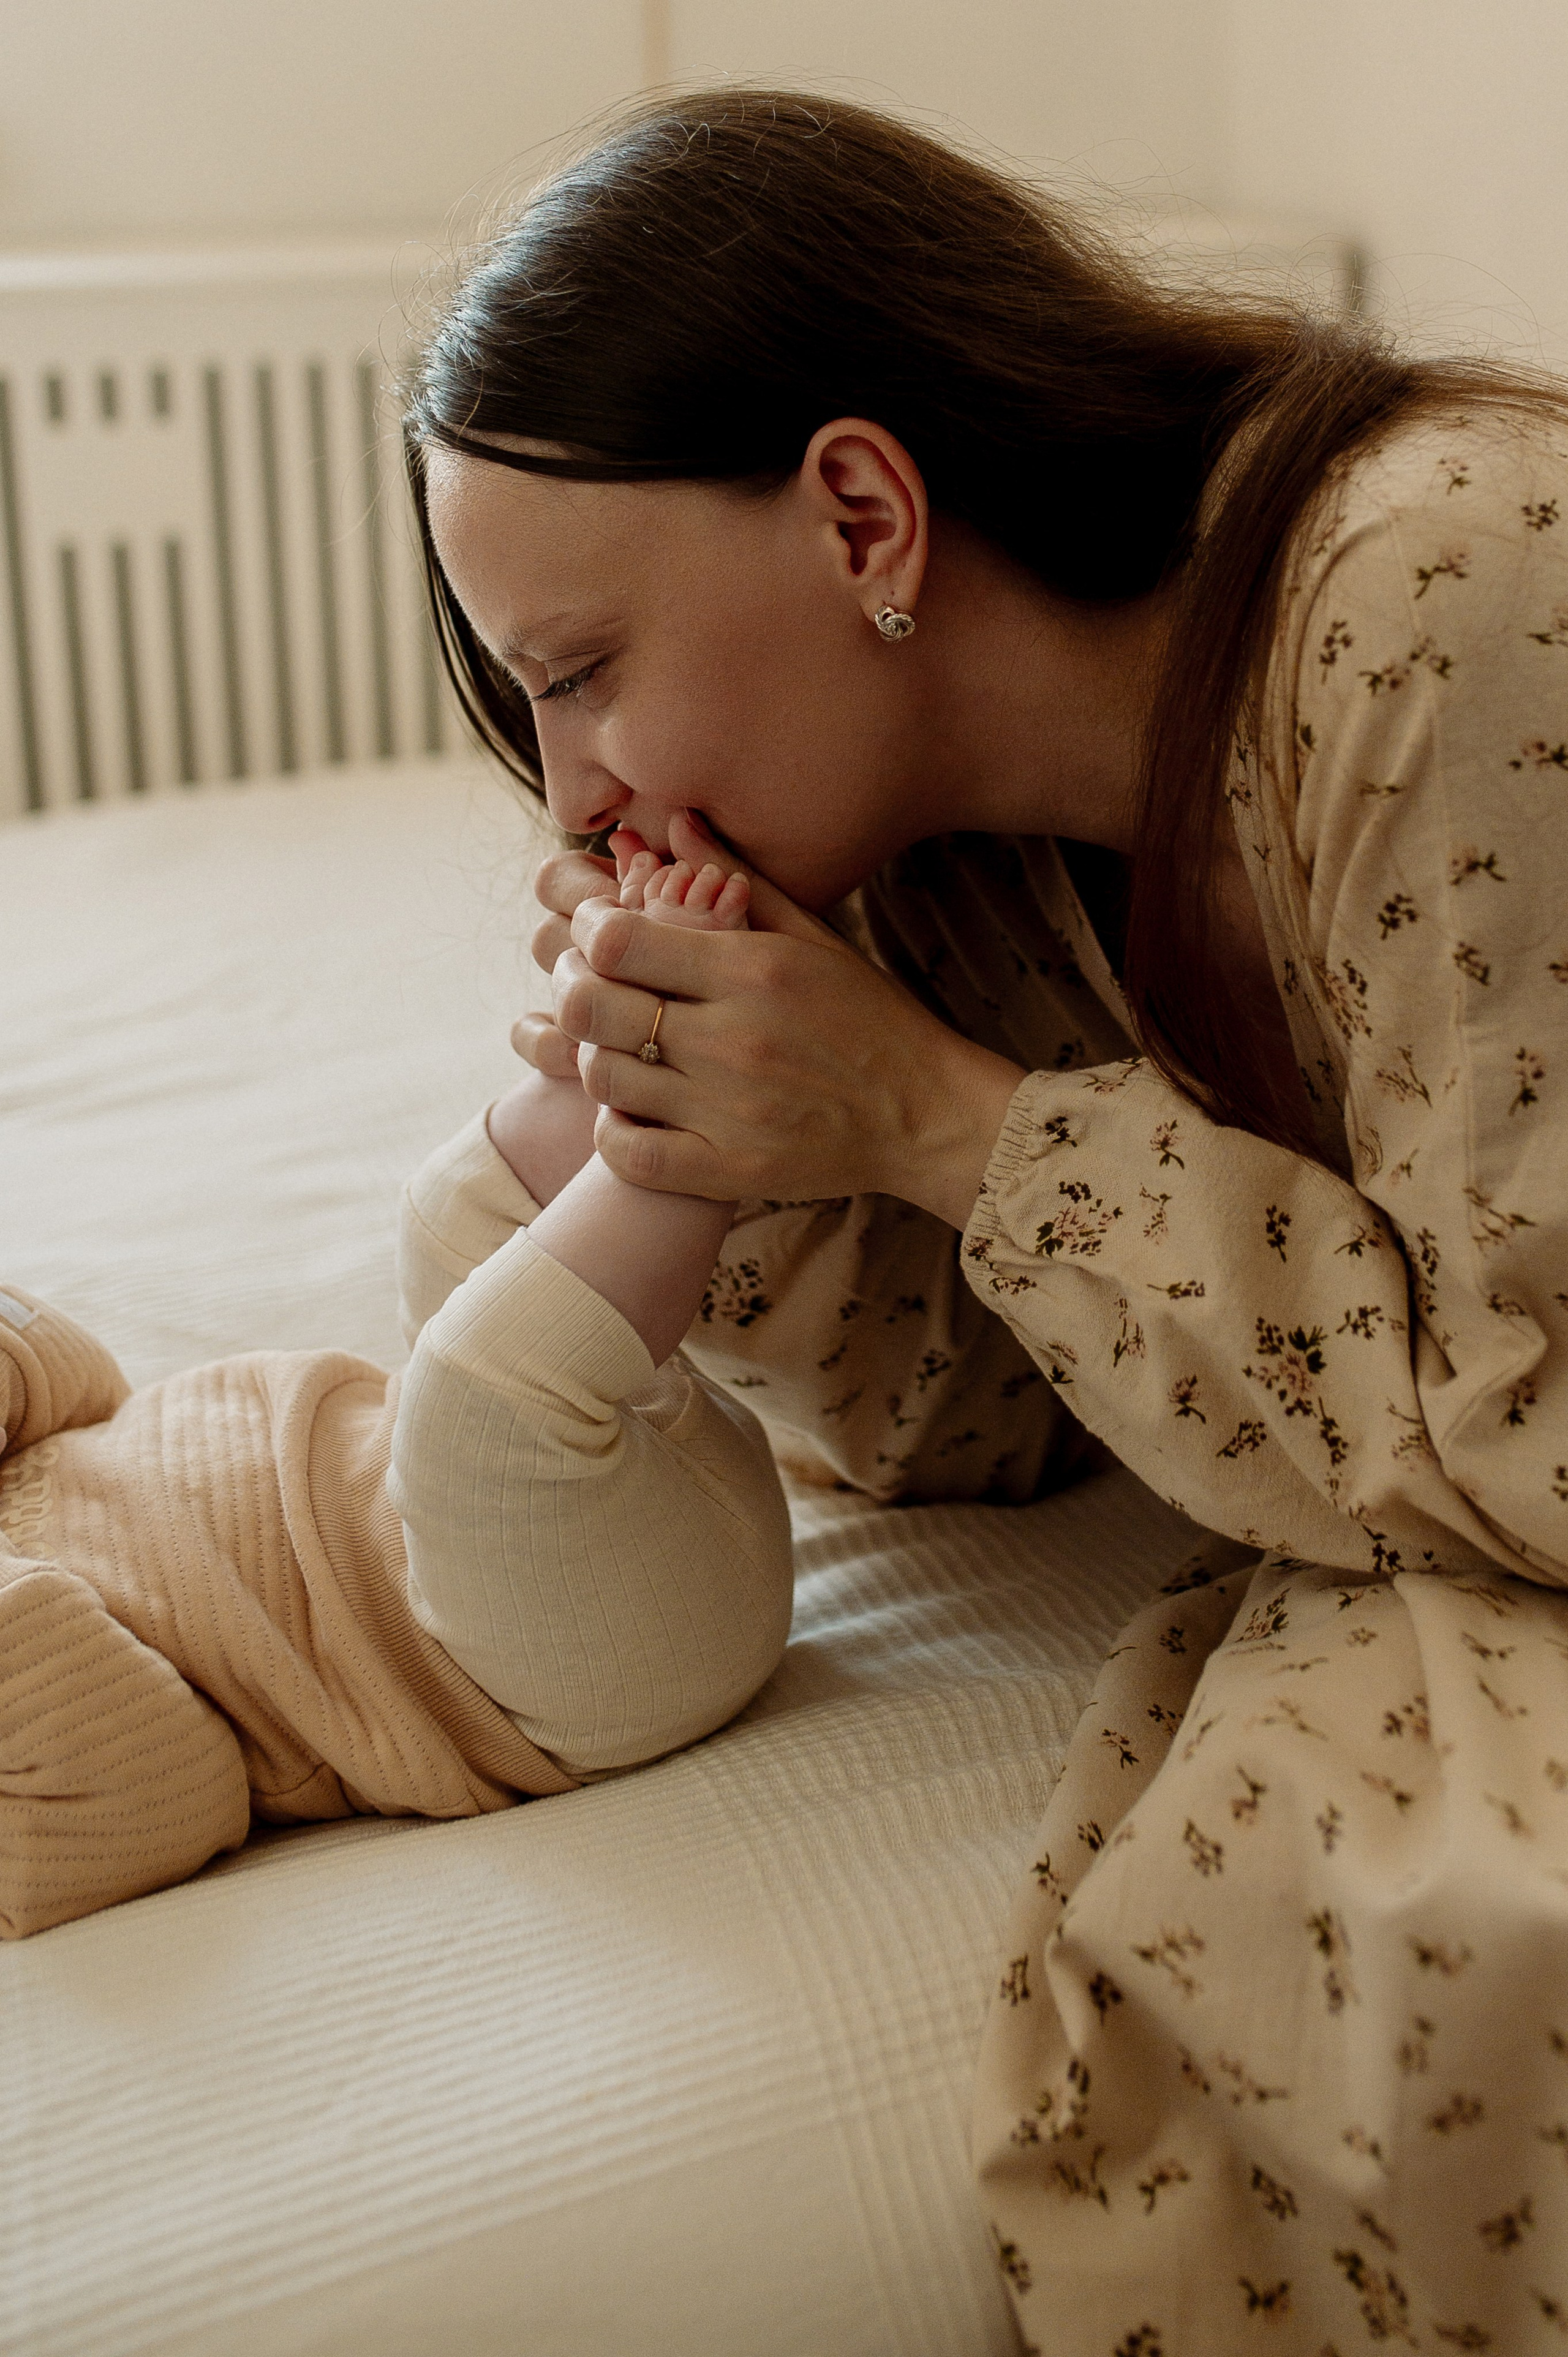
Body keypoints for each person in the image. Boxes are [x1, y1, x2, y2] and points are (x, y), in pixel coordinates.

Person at [405, 87, 1568, 2348]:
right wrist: (722, 1131)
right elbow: (972, 1422)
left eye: (578, 674)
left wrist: (947, 1120)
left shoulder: (1441, 590)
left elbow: (1541, 1424)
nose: (575, 796)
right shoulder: (949, 854)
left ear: (862, 510)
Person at [0, 853, 793, 1939]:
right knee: (480, 1388)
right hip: (548, 1665)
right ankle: (697, 1114)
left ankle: (627, 1062)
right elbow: (164, 1787)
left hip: (590, 1484)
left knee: (449, 1216)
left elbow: (74, 1380)